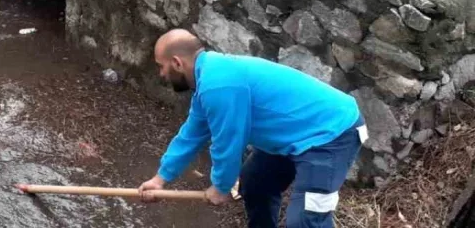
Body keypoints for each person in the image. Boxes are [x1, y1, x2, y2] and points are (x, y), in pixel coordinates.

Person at [138, 29, 366, 228]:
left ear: (177, 62)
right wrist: (160, 179)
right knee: (256, 184)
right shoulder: (208, 80)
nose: (161, 73)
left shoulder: (218, 84)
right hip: (293, 136)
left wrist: (221, 186)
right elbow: (191, 135)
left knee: (306, 220)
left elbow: (228, 140)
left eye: (161, 66)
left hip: (330, 135)